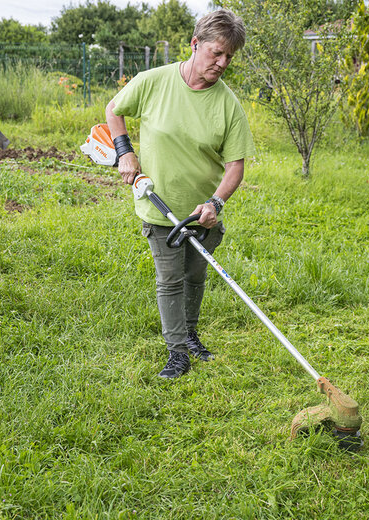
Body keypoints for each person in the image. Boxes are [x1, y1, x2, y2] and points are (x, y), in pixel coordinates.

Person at [105, 9, 256, 379]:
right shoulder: (154, 81)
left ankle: (189, 333)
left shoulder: (227, 103)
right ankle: (177, 352)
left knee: (195, 274)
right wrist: (124, 151)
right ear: (195, 44)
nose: (221, 64)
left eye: (228, 58)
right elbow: (114, 109)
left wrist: (215, 203)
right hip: (159, 207)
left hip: (202, 212)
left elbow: (235, 166)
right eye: (216, 53)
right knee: (169, 278)